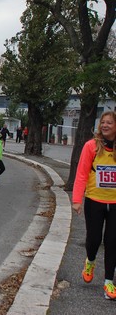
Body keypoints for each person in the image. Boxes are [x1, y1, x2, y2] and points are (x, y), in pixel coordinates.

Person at [72, 110, 116, 300]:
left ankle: (108, 282)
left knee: (113, 242)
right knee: (94, 239)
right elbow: (82, 173)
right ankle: (90, 260)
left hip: (115, 203)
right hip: (94, 201)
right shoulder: (91, 146)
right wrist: (76, 200)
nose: (105, 125)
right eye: (103, 122)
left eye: (109, 123)